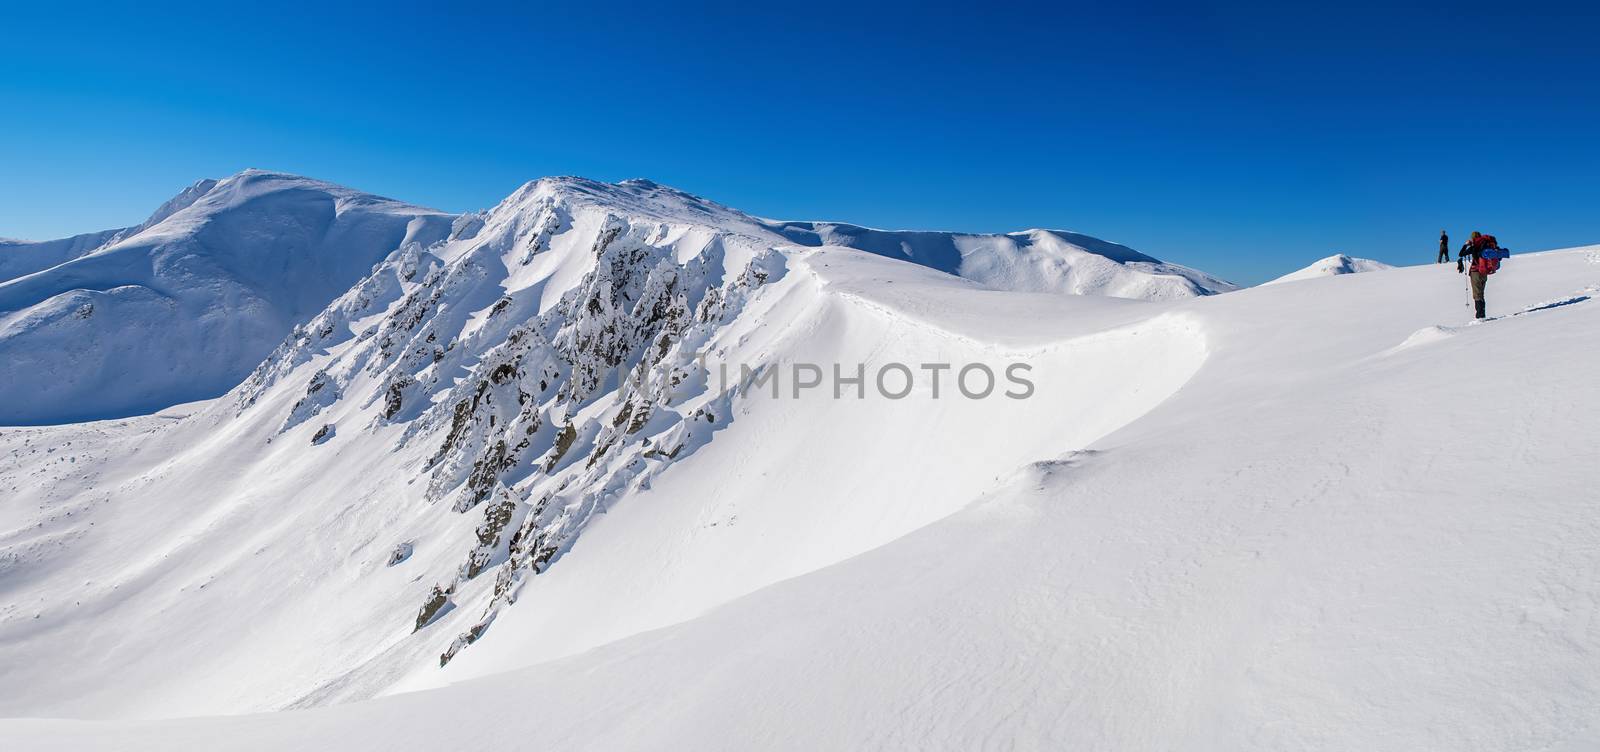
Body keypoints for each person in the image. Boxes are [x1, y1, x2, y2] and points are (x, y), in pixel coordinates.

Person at [1457, 231, 1500, 319]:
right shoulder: (1486, 245)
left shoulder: (1474, 246)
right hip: (1484, 271)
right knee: (1481, 294)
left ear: (1473, 238)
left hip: (1475, 272)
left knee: (1477, 294)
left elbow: (1461, 254)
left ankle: (1479, 316)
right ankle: (1482, 314)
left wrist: (1466, 245)